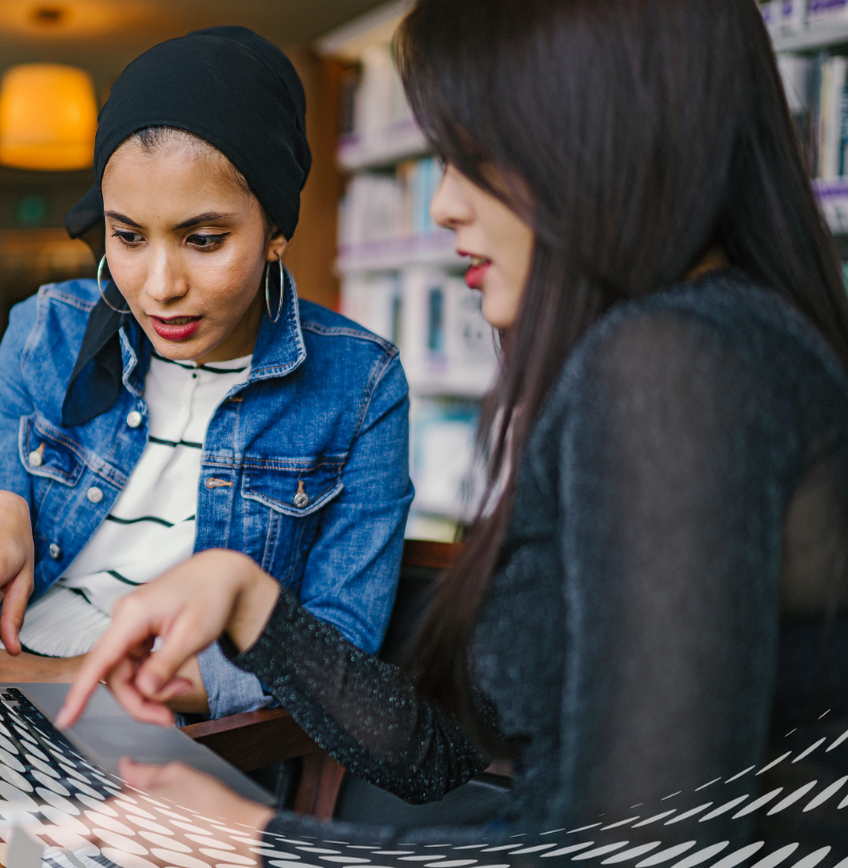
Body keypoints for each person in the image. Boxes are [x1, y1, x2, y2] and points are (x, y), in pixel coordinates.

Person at [58, 0, 848, 853]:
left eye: (475, 157)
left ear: (606, 132)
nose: (443, 206)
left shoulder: (674, 365)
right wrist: (252, 607)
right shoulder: (704, 345)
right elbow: (439, 758)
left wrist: (257, 842)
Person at [0, 27, 415, 719]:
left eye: (203, 240)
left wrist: (71, 675)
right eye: (128, 236)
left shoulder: (361, 386)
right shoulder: (48, 325)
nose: (159, 286)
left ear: (276, 231)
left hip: (158, 727)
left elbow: (336, 653)